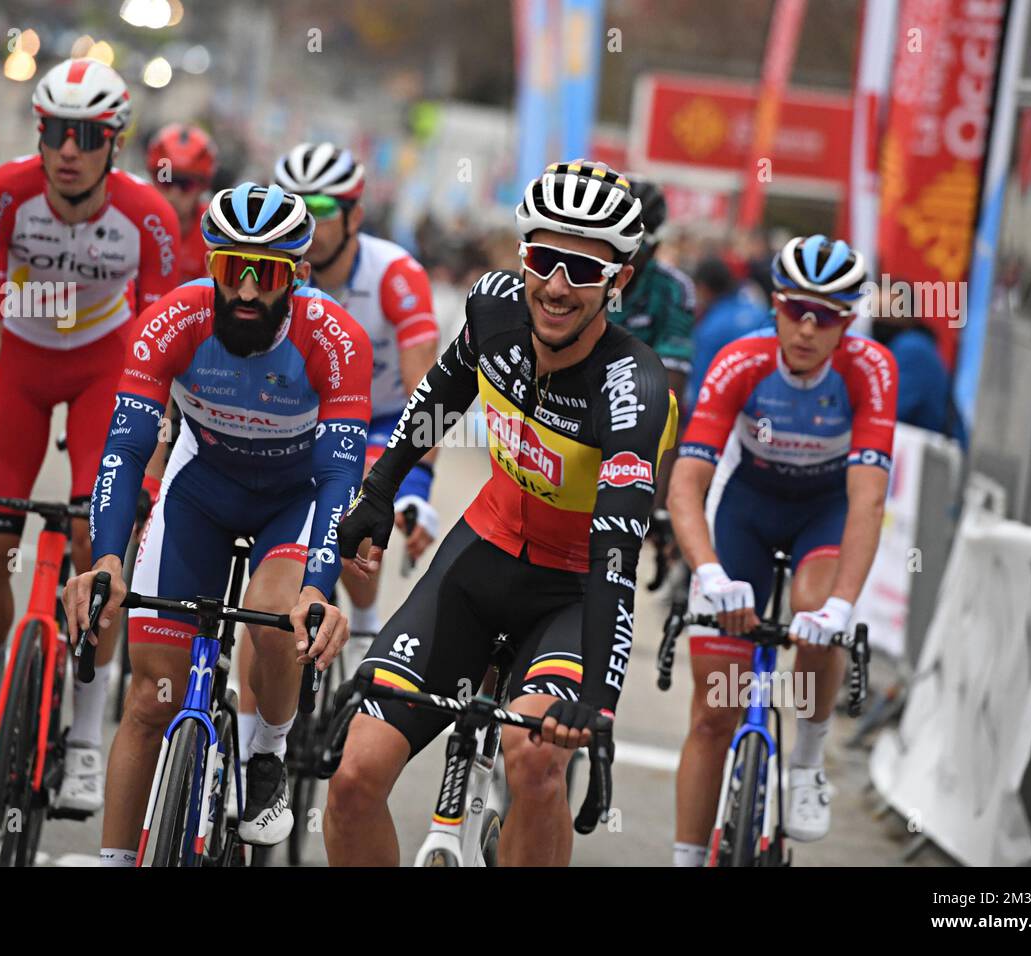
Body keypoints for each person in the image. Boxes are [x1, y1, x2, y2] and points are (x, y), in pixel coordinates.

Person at [328, 159, 679, 866]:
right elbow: (438, 400)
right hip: (481, 554)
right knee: (353, 778)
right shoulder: (493, 308)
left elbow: (616, 554)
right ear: (523, 257)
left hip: (572, 589)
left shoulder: (633, 388)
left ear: (621, 281)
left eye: (583, 270)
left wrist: (602, 703)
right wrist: (379, 489)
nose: (555, 288)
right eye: (544, 260)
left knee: (536, 760)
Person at [60, 182, 372, 865]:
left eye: (269, 275)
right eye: (235, 270)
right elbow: (126, 448)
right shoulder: (173, 321)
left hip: (293, 501)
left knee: (274, 613)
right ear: (211, 267)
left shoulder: (335, 340)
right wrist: (109, 559)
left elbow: (339, 480)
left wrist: (318, 587)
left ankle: (268, 752)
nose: (250, 291)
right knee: (150, 700)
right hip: (202, 492)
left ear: (298, 277)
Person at [0, 58, 180, 813]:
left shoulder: (151, 217)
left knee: (99, 559)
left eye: (87, 135)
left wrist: (150, 470)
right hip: (20, 367)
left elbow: (157, 358)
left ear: (114, 145)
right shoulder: (2, 197)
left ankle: (89, 738)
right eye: (56, 133)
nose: (68, 148)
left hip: (107, 372)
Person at [666, 234, 897, 866]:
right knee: (715, 712)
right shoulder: (741, 362)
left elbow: (868, 501)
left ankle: (806, 758)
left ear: (847, 322)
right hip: (748, 510)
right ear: (776, 305)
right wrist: (708, 573)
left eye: (825, 316)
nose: (806, 328)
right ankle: (688, 858)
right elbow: (687, 482)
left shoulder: (870, 368)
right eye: (795, 308)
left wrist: (843, 606)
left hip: (823, 512)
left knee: (815, 607)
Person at [246, 141, 437, 762]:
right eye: (296, 205)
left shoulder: (395, 274)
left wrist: (415, 494)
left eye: (323, 208)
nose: (308, 219)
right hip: (295, 418)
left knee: (361, 512)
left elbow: (426, 397)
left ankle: (362, 635)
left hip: (383, 418)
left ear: (354, 215)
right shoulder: (272, 267)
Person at [609, 178, 695, 569]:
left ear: (657, 246)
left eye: (636, 245)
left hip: (632, 413)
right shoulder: (591, 265)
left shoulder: (674, 291)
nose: (622, 253)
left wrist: (655, 507)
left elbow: (667, 406)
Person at [870, 284, 967, 445]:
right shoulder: (904, 345)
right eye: (877, 312)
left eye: (888, 312)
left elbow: (886, 410)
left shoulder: (912, 349)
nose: (881, 319)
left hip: (932, 459)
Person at [685, 255, 770, 414]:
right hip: (763, 410)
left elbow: (701, 385)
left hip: (724, 413)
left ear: (704, 288)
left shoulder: (710, 328)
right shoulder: (759, 311)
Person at [146, 123, 218, 285]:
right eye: (165, 180)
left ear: (203, 186)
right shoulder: (131, 216)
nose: (174, 194)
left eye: (186, 184)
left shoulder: (216, 231)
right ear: (152, 178)